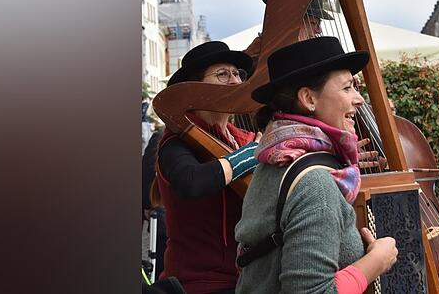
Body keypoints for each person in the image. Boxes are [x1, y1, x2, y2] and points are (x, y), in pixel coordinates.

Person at [235, 37, 398, 294]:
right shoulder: (316, 185)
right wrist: (377, 261)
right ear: (309, 99)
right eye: (347, 88)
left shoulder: (277, 158)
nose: (359, 99)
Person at [153, 41, 262, 294]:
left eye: (237, 74)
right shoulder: (176, 142)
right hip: (200, 284)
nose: (235, 82)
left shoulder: (242, 138)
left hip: (245, 279)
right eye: (222, 74)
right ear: (194, 89)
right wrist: (250, 155)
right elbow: (191, 182)